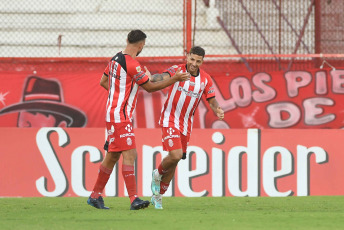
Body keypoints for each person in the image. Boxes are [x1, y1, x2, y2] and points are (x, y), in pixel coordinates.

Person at [87, 30, 190, 210]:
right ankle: (134, 199)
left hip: (112, 113)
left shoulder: (114, 59)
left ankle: (95, 196)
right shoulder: (133, 65)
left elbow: (104, 82)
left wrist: (121, 92)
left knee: (112, 156)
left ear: (127, 40)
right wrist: (174, 79)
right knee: (130, 154)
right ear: (142, 45)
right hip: (121, 115)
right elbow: (150, 87)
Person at [150, 46, 224, 209]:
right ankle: (157, 174)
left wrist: (217, 108)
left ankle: (158, 196)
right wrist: (150, 77)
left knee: (175, 162)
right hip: (169, 118)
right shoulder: (177, 70)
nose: (194, 63)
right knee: (175, 155)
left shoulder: (205, 79)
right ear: (187, 57)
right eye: (192, 59)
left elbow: (211, 99)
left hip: (186, 124)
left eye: (198, 61)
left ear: (202, 61)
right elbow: (162, 76)